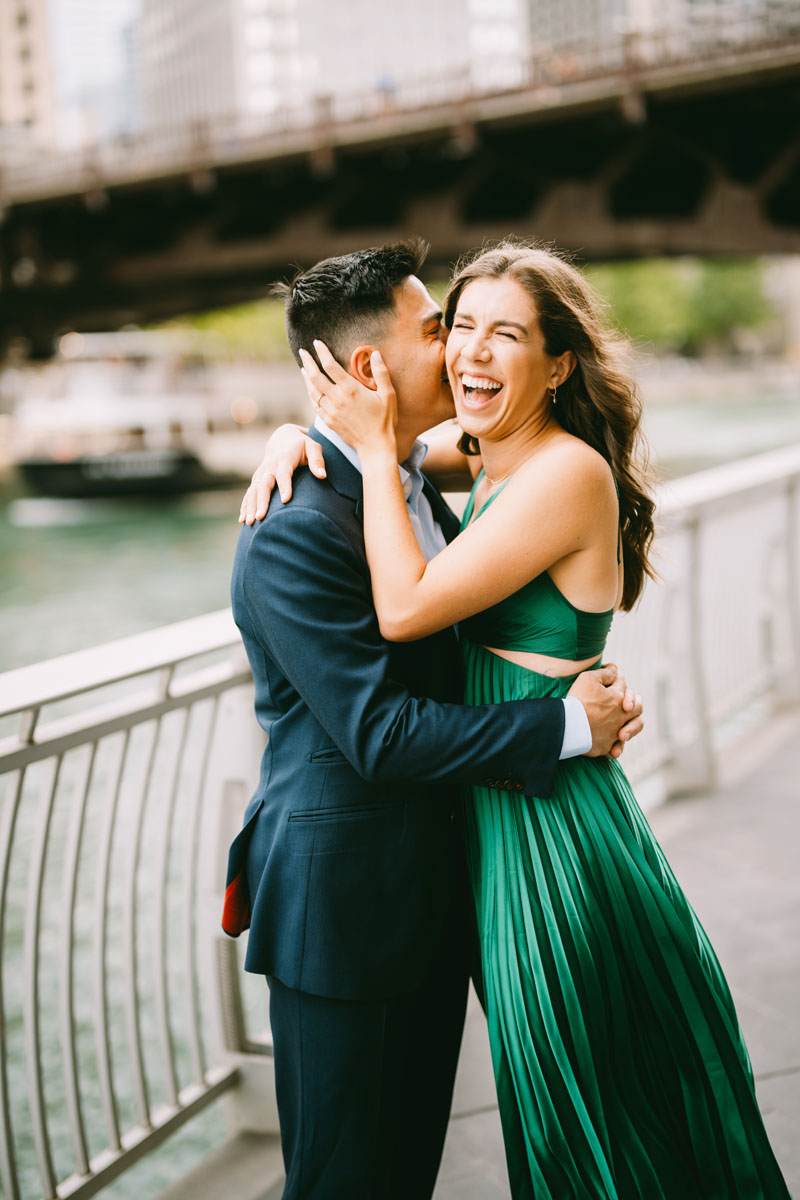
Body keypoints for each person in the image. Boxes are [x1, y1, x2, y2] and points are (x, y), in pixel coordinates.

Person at [265, 240, 790, 1197]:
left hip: (552, 827)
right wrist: (296, 438)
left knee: (596, 1103)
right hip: (493, 817)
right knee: (560, 1109)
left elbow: (406, 609)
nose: (468, 351)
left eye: (503, 333)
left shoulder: (562, 474)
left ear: (558, 364)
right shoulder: (477, 453)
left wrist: (371, 450)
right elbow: (355, 454)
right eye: (457, 326)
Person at [223, 240, 644, 1200]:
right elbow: (378, 734)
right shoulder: (295, 528)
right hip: (349, 915)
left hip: (433, 890)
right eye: (441, 330)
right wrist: (565, 729)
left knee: (401, 1171)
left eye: (478, 330)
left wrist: (325, 435)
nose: (459, 350)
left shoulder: (409, 471)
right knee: (343, 1182)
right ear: (371, 370)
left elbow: (499, 450)